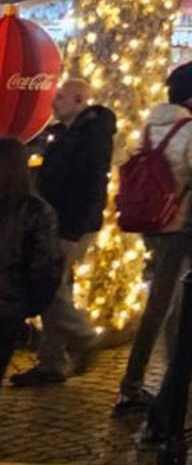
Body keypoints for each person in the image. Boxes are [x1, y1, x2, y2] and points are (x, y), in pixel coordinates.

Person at [112, 59, 192, 418]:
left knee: (167, 306)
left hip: (149, 224)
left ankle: (170, 381)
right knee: (164, 308)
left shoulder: (148, 126)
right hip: (180, 228)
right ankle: (138, 386)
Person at [11, 80, 115, 388]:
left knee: (50, 288)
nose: (54, 101)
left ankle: (83, 338)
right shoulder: (66, 132)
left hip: (69, 226)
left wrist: (71, 231)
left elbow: (92, 187)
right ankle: (51, 362)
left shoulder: (92, 136)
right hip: (57, 223)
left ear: (79, 100)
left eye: (60, 97)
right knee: (57, 288)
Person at [0, 137, 61, 381]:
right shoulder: (35, 210)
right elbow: (46, 265)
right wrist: (29, 305)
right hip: (8, 308)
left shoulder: (33, 210)